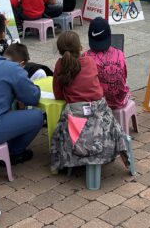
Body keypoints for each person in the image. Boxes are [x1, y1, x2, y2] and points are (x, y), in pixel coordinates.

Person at [50, 31, 129, 173]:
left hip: (75, 120)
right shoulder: (89, 61)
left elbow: (58, 95)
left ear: (60, 50)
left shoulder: (60, 65)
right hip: (100, 116)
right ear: (80, 47)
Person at [84, 18, 130, 110]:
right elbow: (124, 77)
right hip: (119, 100)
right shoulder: (120, 53)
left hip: (96, 105)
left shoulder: (85, 57)